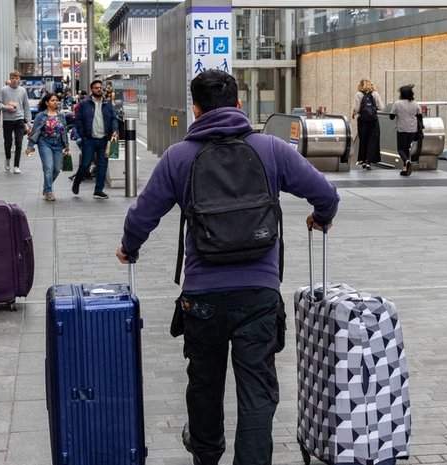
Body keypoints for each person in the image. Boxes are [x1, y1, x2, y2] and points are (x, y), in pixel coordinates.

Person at [115, 70, 340, 465]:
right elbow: (326, 193)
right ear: (239, 106)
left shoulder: (179, 157)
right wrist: (320, 217)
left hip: (202, 297)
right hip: (259, 294)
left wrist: (129, 248)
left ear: (196, 110)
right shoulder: (271, 149)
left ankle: (206, 455)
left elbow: (141, 216)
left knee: (204, 384)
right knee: (256, 392)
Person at [72, 79, 119, 199]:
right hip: (89, 139)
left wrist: (114, 131)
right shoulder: (84, 104)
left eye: (100, 87)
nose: (99, 89)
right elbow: (78, 120)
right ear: (91, 89)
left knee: (103, 165)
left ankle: (98, 190)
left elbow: (114, 119)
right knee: (85, 164)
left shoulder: (108, 104)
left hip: (104, 139)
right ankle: (77, 181)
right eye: (96, 88)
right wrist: (83, 134)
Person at [26, 93, 70, 201]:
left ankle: (46, 188)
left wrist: (67, 146)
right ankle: (49, 192)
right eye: (52, 100)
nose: (55, 102)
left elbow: (64, 131)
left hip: (58, 144)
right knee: (48, 168)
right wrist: (30, 146)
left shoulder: (61, 116)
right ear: (47, 102)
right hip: (45, 143)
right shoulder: (40, 116)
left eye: (56, 100)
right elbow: (35, 131)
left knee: (56, 169)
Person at [0, 70, 31, 173]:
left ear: (19, 79)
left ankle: (16, 165)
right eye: (12, 78)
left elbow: (26, 106)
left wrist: (28, 121)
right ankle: (7, 158)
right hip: (7, 120)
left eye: (16, 78)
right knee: (8, 142)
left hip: (19, 119)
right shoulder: (4, 90)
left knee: (19, 142)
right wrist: (6, 107)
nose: (14, 80)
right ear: (10, 78)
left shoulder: (23, 91)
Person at [390, 84, 422, 176]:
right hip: (412, 130)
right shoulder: (415, 104)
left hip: (402, 129)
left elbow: (391, 116)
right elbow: (420, 116)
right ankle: (405, 169)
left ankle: (407, 161)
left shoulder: (397, 103)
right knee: (406, 148)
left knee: (400, 149)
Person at [351, 78, 383, 170]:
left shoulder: (358, 94)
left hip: (362, 121)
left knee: (363, 140)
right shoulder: (375, 94)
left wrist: (354, 113)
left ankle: (363, 160)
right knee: (372, 141)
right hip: (373, 121)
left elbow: (356, 108)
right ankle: (369, 161)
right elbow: (381, 107)